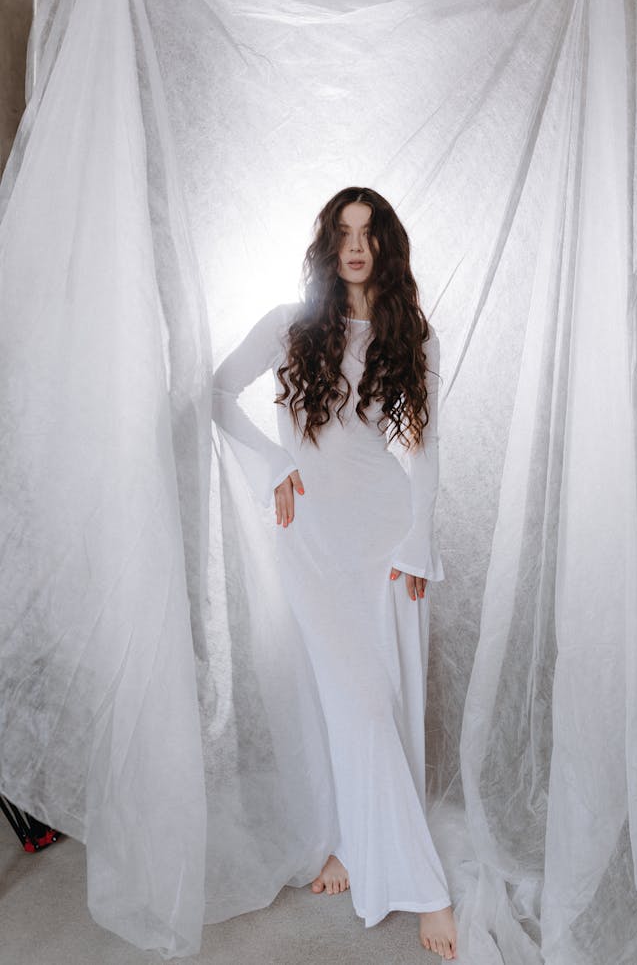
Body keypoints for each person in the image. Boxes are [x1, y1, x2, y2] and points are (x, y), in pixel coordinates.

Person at [212, 187, 457, 960]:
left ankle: (363, 842)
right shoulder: (288, 324)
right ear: (327, 244)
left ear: (386, 244)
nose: (356, 245)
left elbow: (423, 450)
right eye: (343, 232)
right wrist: (274, 463)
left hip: (385, 536)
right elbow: (216, 393)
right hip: (313, 543)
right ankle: (425, 888)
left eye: (369, 232)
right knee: (356, 703)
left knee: (386, 698)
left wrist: (417, 540)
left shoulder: (409, 334)